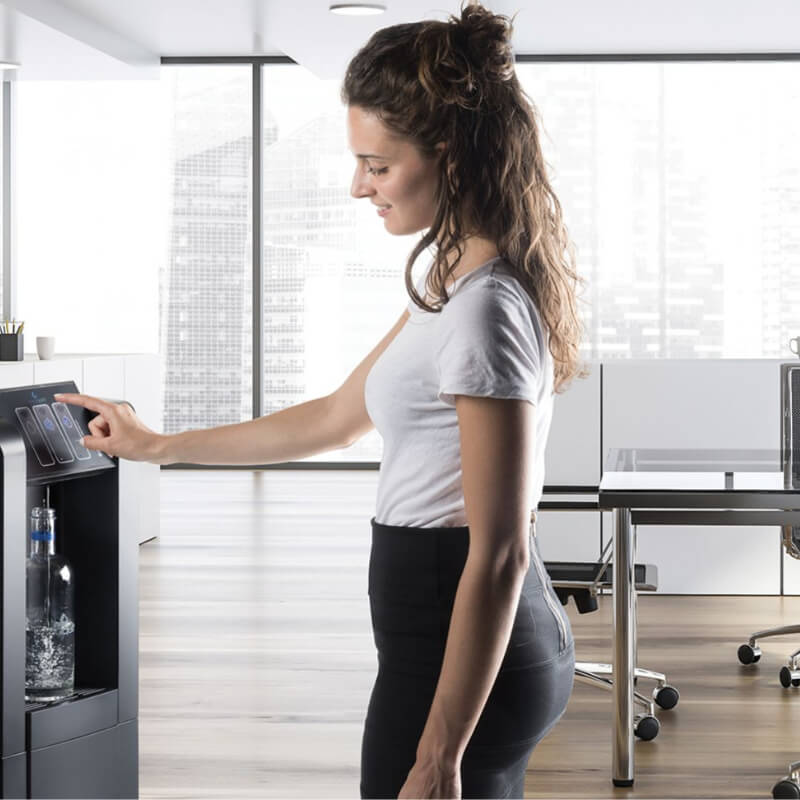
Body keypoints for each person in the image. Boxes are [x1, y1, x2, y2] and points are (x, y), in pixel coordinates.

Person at [54, 2, 589, 797]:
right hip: (434, 628)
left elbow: (501, 550)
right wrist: (156, 444)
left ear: (448, 151)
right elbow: (337, 419)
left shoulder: (483, 307)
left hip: (463, 639)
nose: (357, 187)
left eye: (377, 164)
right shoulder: (451, 281)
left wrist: (439, 755)